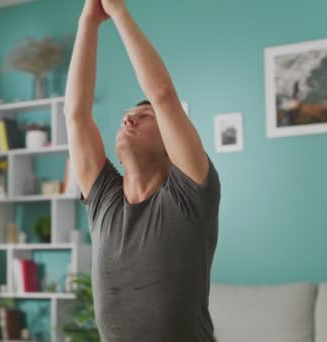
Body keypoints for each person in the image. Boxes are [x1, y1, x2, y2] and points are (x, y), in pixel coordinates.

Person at [63, 0, 220, 341]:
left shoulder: (190, 193)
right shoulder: (103, 198)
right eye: (126, 116)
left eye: (144, 117)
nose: (129, 118)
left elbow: (162, 95)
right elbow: (75, 116)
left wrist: (118, 12)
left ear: (171, 141)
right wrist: (88, 21)